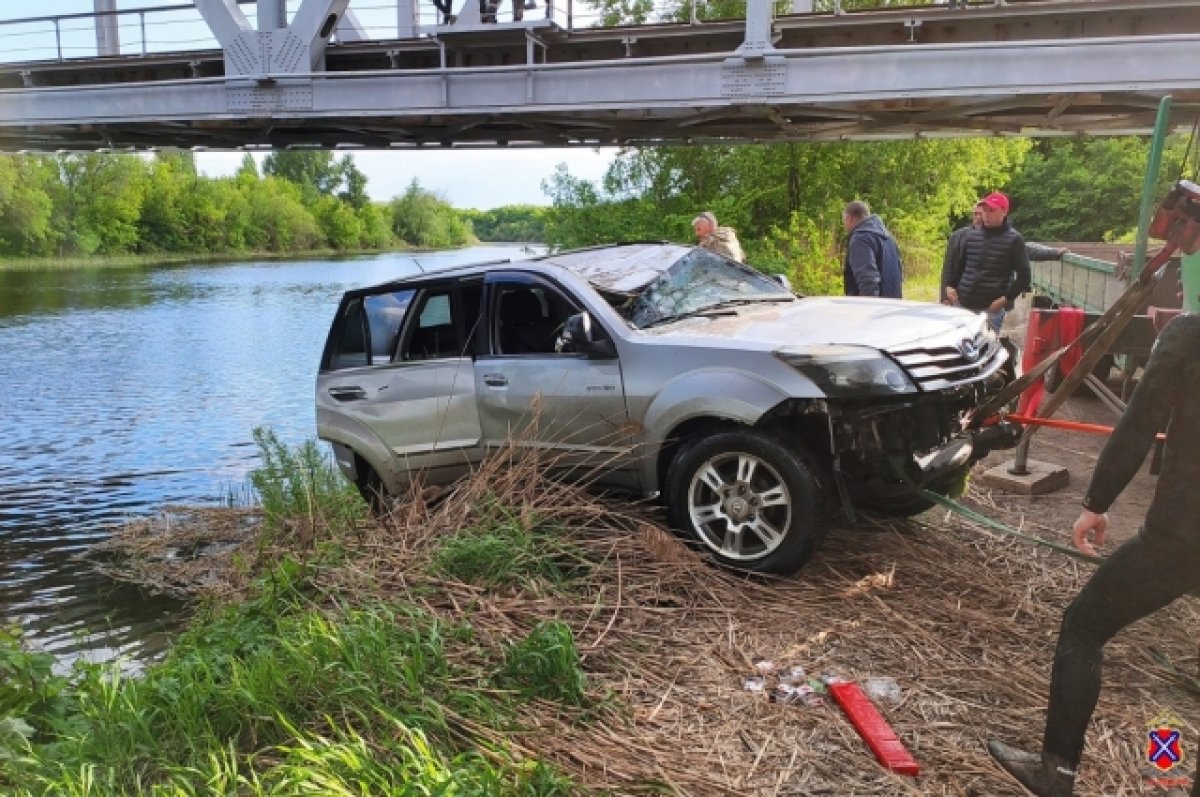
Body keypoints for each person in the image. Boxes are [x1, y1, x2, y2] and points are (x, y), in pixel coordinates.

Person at [987, 312, 1200, 797]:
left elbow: (1141, 421)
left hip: (1181, 535)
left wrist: (1096, 503)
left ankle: (1056, 773)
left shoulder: (1190, 335)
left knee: (1083, 627)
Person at [940, 191, 1031, 333]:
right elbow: (961, 265)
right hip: (962, 304)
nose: (986, 214)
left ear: (1004, 211)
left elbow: (1024, 277)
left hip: (990, 309)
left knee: (984, 351)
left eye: (992, 210)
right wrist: (950, 286)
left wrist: (1004, 300)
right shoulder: (971, 235)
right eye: (985, 210)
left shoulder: (1014, 240)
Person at [841, 200, 903, 299]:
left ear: (849, 218)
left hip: (872, 308)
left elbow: (868, 280)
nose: (844, 225)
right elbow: (899, 276)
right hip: (892, 305)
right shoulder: (889, 238)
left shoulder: (860, 239)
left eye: (843, 221)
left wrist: (868, 309)